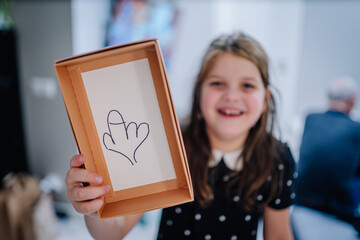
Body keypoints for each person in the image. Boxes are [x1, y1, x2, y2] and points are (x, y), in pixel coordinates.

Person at [65, 32, 296, 240]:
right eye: (217, 83)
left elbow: (278, 235)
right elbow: (114, 231)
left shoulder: (278, 159)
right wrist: (95, 210)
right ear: (198, 94)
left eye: (247, 85)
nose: (232, 96)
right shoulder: (166, 145)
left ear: (265, 99)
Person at [295, 76, 360, 231]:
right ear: (352, 101)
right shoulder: (356, 129)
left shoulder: (310, 118)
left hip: (300, 199)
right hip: (339, 209)